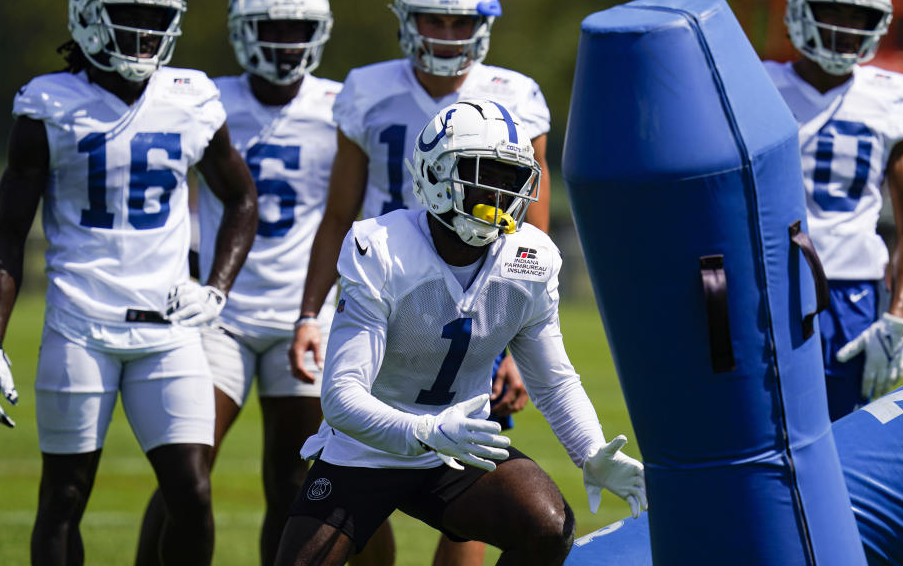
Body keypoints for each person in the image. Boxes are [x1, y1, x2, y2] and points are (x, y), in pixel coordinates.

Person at [274, 100, 647, 566]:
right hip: (369, 445)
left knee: (549, 528)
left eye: (510, 180)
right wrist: (427, 430)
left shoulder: (529, 259)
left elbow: (553, 381)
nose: (497, 192)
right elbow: (342, 397)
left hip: (458, 446)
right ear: (436, 174)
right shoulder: (383, 249)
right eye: (482, 173)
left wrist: (591, 451)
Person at [0, 0, 258, 566]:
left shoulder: (191, 97)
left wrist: (215, 286)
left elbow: (241, 200)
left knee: (191, 491)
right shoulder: (47, 106)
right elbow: (7, 235)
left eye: (157, 16)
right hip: (80, 325)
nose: (143, 30)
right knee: (65, 496)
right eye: (127, 12)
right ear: (85, 17)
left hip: (170, 327)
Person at [290, 0, 551, 562]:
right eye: (435, 19)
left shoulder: (517, 94)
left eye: (461, 21)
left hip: (473, 299)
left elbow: (528, 237)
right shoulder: (368, 89)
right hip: (383, 289)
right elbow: (339, 211)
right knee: (358, 458)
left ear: (484, 24)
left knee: (466, 480)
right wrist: (309, 312)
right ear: (407, 18)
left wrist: (519, 345)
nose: (447, 34)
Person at [134, 0, 339, 566]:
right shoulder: (203, 97)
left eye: (298, 28)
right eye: (271, 27)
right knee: (184, 472)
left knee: (295, 482)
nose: (285, 42)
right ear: (242, 29)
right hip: (214, 310)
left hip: (305, 315)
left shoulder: (343, 105)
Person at [762, 0, 903, 421]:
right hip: (768, 284)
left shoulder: (895, 96)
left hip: (852, 293)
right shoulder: (753, 84)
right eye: (829, 10)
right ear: (799, 9)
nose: (842, 26)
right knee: (760, 437)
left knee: (838, 435)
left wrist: (897, 316)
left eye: (857, 14)